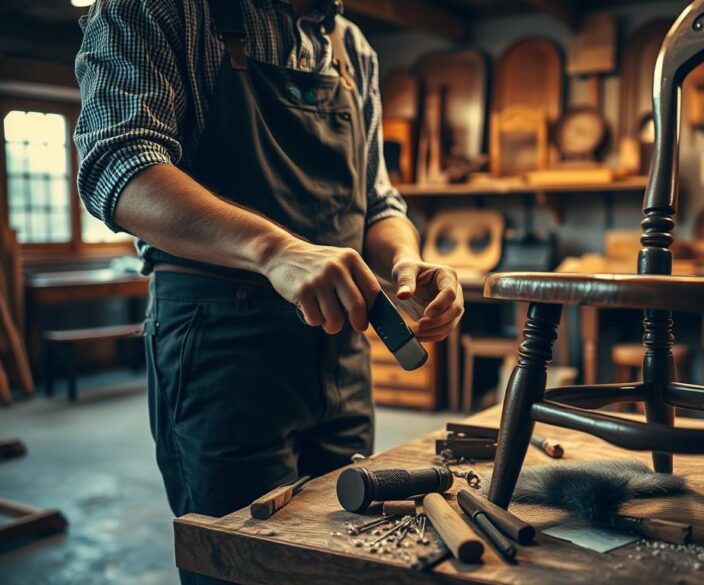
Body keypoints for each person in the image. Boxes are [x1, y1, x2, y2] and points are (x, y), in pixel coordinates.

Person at [74, 1, 464, 582]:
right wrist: (275, 250)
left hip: (342, 352)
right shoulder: (161, 8)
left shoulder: (351, 46)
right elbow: (121, 165)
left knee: (352, 546)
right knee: (242, 563)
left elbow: (379, 202)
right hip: (221, 353)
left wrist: (405, 259)